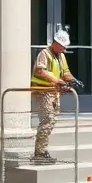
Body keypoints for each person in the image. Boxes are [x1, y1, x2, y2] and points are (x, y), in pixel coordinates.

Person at [31, 28, 80, 164]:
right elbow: (41, 71)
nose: (63, 49)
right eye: (62, 46)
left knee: (51, 120)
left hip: (53, 91)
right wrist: (56, 80)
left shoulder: (61, 56)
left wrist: (72, 80)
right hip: (42, 91)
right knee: (47, 119)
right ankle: (39, 152)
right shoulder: (44, 53)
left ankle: (42, 150)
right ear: (55, 42)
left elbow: (65, 72)